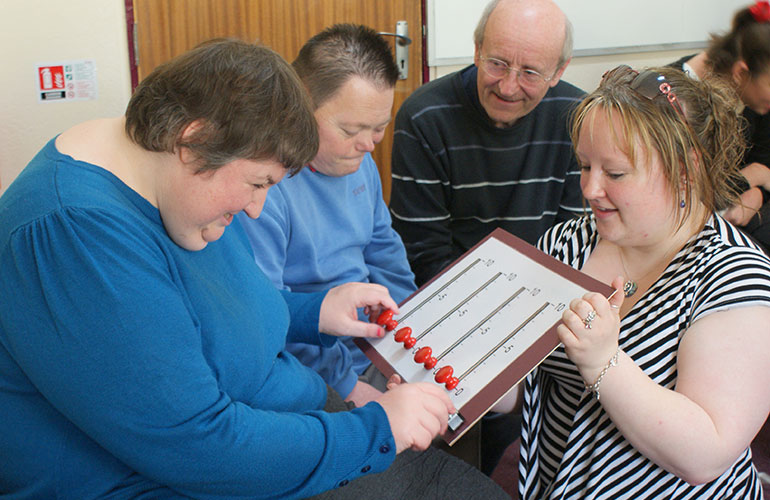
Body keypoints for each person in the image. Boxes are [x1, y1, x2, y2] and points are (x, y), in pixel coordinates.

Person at [0, 39, 509, 499]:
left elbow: (200, 313)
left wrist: (313, 312)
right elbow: (199, 447)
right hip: (182, 476)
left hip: (277, 419)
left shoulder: (167, 180)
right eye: (258, 183)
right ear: (193, 138)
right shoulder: (78, 236)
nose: (257, 210)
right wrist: (377, 430)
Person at [493, 65, 770, 498]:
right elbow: (521, 387)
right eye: (585, 165)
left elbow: (706, 454)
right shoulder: (568, 242)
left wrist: (605, 363)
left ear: (685, 169)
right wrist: (473, 373)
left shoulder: (736, 278)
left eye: (615, 173)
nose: (590, 188)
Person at [239, 24, 416, 408]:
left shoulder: (358, 162)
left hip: (375, 347)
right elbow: (267, 314)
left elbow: (384, 250)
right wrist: (349, 388)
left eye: (380, 127)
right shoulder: (262, 187)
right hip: (312, 368)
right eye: (351, 129)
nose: (369, 144)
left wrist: (414, 331)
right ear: (300, 105)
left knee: (465, 410)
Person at [389, 0, 585, 288]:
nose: (507, 87)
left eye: (530, 72)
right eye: (497, 64)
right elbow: (423, 255)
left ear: (558, 71)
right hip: (454, 293)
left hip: (545, 290)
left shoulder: (578, 118)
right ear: (477, 50)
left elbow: (574, 240)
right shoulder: (424, 118)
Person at [669, 0, 770, 253]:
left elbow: (765, 163)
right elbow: (681, 193)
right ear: (740, 72)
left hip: (733, 218)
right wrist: (754, 175)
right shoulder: (666, 96)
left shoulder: (757, 101)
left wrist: (758, 194)